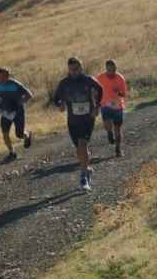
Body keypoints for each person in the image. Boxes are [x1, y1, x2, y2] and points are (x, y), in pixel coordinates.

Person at [52, 56, 103, 190]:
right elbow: (56, 98)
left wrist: (97, 106)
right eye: (71, 69)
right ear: (68, 69)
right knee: (80, 150)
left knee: (82, 144)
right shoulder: (64, 83)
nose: (74, 71)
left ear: (81, 68)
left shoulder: (89, 80)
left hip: (87, 118)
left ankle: (83, 177)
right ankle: (87, 168)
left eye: (76, 69)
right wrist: (60, 105)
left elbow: (100, 90)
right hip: (73, 120)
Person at [0, 65, 33, 161]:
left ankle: (26, 136)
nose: (1, 79)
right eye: (0, 77)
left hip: (18, 112)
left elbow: (29, 95)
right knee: (5, 133)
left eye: (3, 76)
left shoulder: (15, 84)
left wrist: (20, 102)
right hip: (6, 112)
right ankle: (12, 152)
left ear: (8, 75)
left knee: (19, 134)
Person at [96, 59, 128, 157]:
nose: (111, 72)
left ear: (115, 68)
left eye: (113, 69)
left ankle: (118, 149)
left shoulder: (120, 78)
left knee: (118, 129)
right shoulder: (100, 77)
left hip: (118, 106)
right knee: (107, 126)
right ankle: (109, 132)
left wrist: (118, 92)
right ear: (106, 69)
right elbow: (94, 87)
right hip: (105, 105)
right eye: (109, 70)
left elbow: (124, 94)